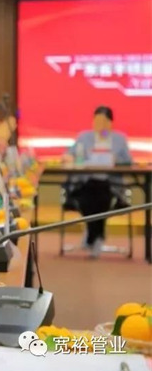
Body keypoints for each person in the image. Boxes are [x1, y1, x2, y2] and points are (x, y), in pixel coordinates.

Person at [64, 106, 133, 258]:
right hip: (85, 182)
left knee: (102, 197)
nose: (100, 124)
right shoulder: (84, 137)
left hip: (110, 184)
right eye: (97, 121)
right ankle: (96, 236)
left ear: (110, 123)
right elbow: (69, 155)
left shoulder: (119, 139)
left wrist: (116, 161)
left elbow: (128, 162)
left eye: (103, 121)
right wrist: (70, 158)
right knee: (87, 198)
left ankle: (93, 236)